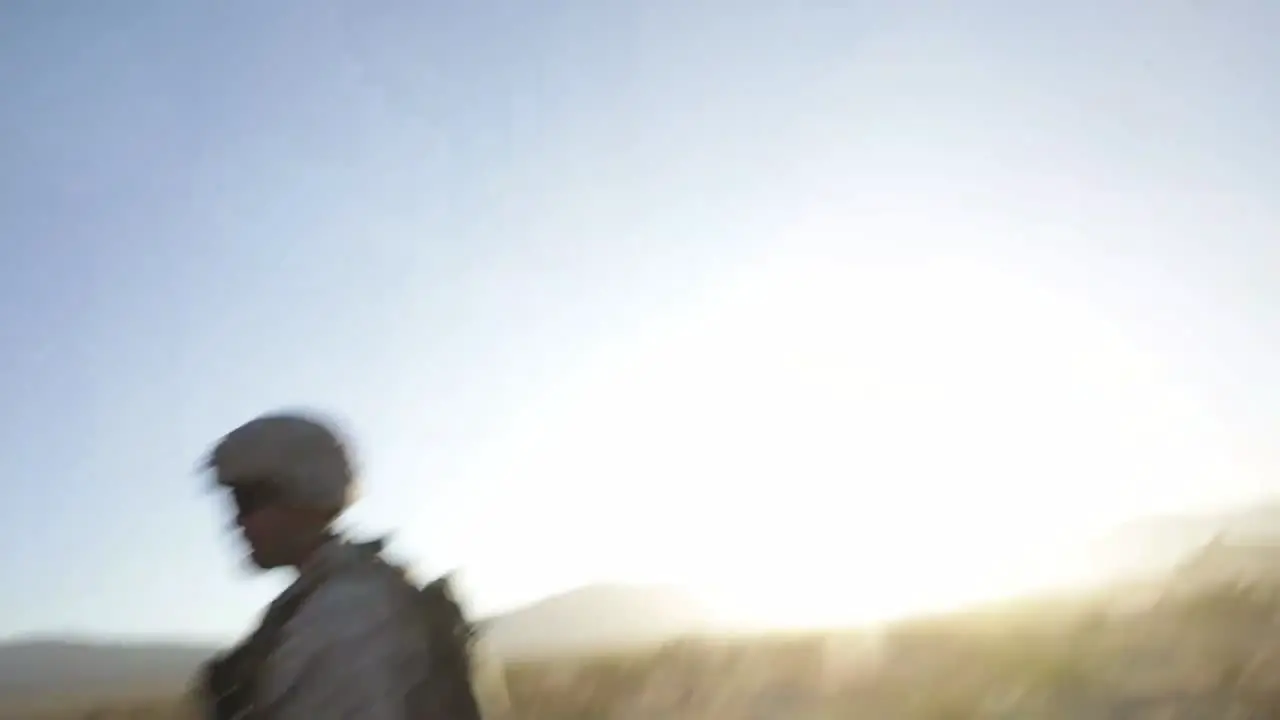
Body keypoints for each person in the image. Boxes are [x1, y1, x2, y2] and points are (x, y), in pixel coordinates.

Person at [195, 410, 467, 720]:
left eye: (248, 501)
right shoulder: (323, 600)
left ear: (303, 494)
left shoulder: (348, 615)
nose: (238, 522)